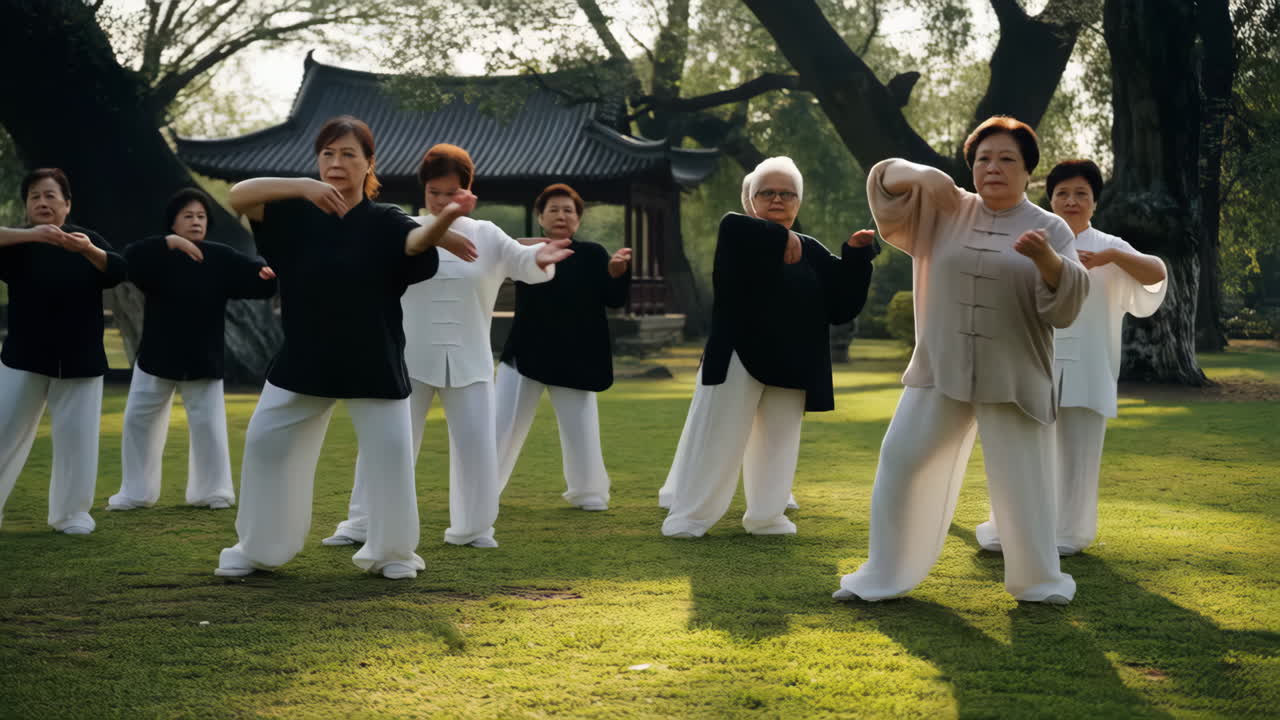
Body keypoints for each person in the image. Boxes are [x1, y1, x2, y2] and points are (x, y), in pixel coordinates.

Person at [833, 116, 1089, 605]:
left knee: (1022, 485)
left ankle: (1038, 582)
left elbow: (1067, 307)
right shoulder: (945, 208)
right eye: (982, 159)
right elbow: (884, 184)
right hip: (940, 367)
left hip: (1013, 373)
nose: (992, 167)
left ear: (1028, 171)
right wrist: (921, 173)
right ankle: (882, 576)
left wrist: (1048, 262)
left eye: (1006, 159)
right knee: (900, 461)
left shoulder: (1050, 226)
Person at [213, 116, 476, 580]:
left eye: (349, 154)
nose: (336, 163)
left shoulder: (385, 219)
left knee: (390, 456)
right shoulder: (291, 214)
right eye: (328, 154)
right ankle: (256, 549)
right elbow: (238, 195)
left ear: (368, 163)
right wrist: (300, 186)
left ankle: (393, 553)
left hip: (372, 358)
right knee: (265, 444)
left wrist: (447, 218)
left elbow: (415, 242)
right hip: (304, 357)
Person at [324, 144, 571, 549]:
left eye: (450, 193)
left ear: (468, 192)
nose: (441, 201)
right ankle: (362, 523)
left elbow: (523, 262)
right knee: (386, 443)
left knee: (476, 446)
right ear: (423, 191)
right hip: (405, 360)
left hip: (469, 360)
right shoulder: (402, 227)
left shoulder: (487, 234)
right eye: (434, 192)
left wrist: (542, 256)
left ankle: (473, 528)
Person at [659, 157, 878, 537]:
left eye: (788, 193)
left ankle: (766, 516)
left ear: (799, 201)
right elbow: (735, 227)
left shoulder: (812, 250)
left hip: (792, 361)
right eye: (768, 193)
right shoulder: (737, 231)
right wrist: (781, 236)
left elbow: (842, 307)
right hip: (738, 356)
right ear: (751, 199)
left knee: (778, 442)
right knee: (718, 439)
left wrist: (857, 256)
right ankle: (689, 517)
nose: (778, 200)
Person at [975, 159, 1166, 556]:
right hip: (1028, 360)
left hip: (1090, 366)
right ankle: (1006, 528)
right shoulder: (1031, 238)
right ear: (1051, 198)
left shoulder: (1108, 246)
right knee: (1020, 450)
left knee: (1078, 454)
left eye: (1081, 194)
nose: (1071, 201)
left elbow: (1156, 274)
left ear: (1095, 202)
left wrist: (1113, 258)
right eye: (1062, 193)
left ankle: (1069, 534)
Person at [106, 188, 277, 512]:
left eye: (201, 216)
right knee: (138, 421)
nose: (196, 221)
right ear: (173, 222)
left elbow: (256, 278)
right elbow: (127, 260)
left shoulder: (220, 256)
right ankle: (136, 492)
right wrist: (170, 243)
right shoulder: (157, 253)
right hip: (157, 354)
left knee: (208, 425)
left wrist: (269, 275)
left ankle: (213, 491)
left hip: (203, 355)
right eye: (188, 216)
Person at [0, 168, 127, 534]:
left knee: (78, 441)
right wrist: (28, 235)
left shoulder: (87, 241)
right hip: (23, 357)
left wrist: (87, 248)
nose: (42, 202)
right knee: (4, 433)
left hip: (80, 358)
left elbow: (119, 270)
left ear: (67, 204)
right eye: (34, 196)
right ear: (26, 205)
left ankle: (71, 513)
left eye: (50, 195)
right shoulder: (17, 245)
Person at [495, 183, 632, 512]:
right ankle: (482, 490)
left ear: (578, 220)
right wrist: (535, 246)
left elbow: (613, 300)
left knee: (581, 429)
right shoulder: (524, 253)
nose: (561, 215)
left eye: (569, 210)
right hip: (525, 352)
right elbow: (499, 250)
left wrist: (617, 274)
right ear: (540, 217)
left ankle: (589, 493)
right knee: (502, 427)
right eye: (553, 210)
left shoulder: (593, 254)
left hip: (575, 356)